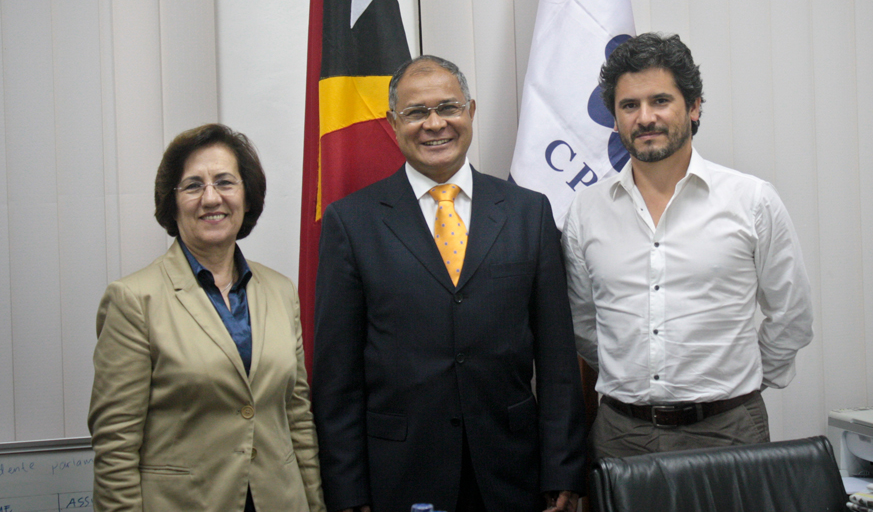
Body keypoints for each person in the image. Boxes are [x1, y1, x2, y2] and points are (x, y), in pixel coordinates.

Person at [312, 55, 587, 512]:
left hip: (512, 469)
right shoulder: (352, 222)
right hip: (398, 474)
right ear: (393, 123)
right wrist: (347, 489)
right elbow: (336, 376)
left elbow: (557, 359)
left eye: (449, 108)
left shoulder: (528, 213)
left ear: (471, 112)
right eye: (417, 112)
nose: (435, 124)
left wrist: (561, 468)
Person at [563, 33, 814, 460]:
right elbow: (585, 323)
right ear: (615, 117)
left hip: (729, 431)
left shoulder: (751, 201)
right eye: (629, 105)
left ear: (694, 106)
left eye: (660, 101)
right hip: (621, 435)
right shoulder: (586, 210)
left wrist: (735, 387)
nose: (645, 117)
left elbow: (791, 316)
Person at [88, 124, 326, 512]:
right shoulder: (134, 301)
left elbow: (297, 418)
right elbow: (116, 444)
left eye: (225, 182)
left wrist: (315, 505)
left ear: (247, 197)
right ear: (173, 202)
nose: (211, 198)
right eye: (193, 185)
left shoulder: (281, 292)